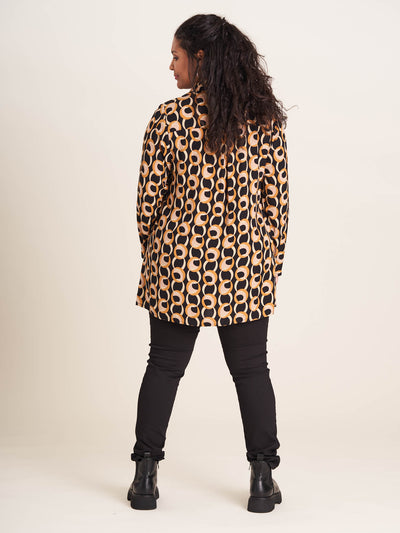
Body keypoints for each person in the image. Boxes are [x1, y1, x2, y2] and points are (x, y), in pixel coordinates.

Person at [127, 13, 289, 513]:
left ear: (201, 58)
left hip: (177, 265)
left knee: (163, 366)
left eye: (176, 56)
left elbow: (147, 204)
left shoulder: (168, 119)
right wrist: (268, 264)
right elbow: (277, 205)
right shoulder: (263, 122)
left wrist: (159, 254)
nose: (170, 66)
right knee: (252, 369)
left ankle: (144, 477)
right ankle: (262, 479)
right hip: (245, 266)